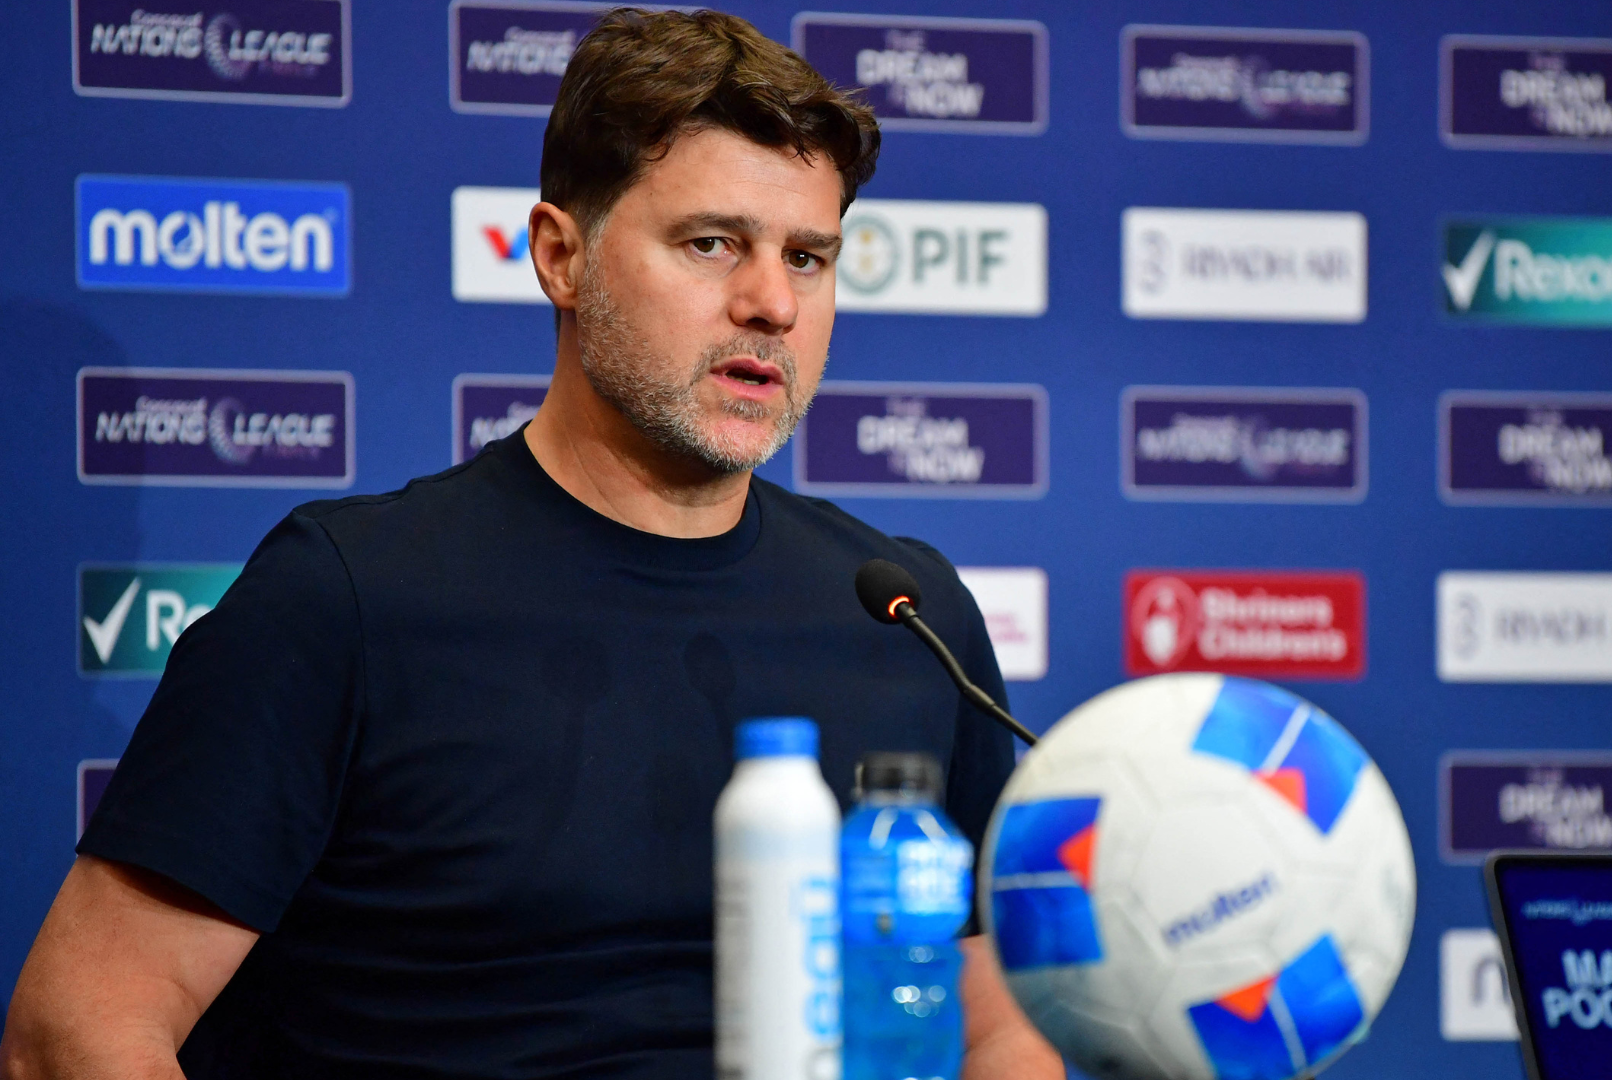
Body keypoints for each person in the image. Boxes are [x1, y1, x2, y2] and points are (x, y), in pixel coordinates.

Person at [1, 10, 1064, 1079]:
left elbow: (992, 1026)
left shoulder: (902, 614)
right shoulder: (346, 599)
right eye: (711, 244)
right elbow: (78, 1032)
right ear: (560, 254)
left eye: (809, 256)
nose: (773, 303)